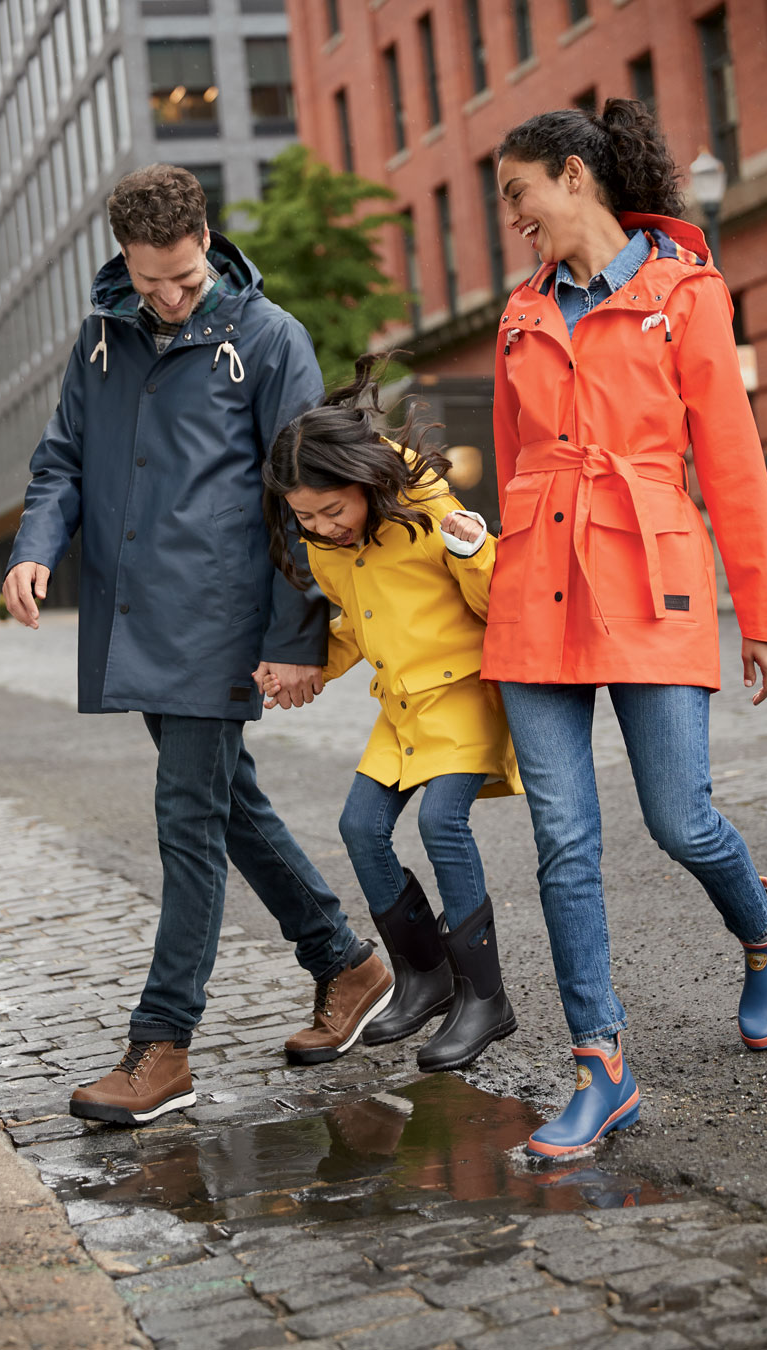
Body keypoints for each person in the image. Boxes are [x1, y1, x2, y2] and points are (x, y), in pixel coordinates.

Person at [2, 165, 392, 1127]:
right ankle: (348, 963)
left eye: (182, 277)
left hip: (221, 624)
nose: (167, 296)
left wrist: (295, 639)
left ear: (206, 242)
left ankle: (163, 1045)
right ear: (123, 257)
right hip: (137, 620)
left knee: (187, 820)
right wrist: (35, 548)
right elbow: (62, 460)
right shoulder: (101, 340)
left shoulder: (268, 338)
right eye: (148, 280)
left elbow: (300, 498)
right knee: (228, 806)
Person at [483, 100, 767, 1159]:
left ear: (574, 176)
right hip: (537, 596)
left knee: (680, 820)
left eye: (518, 192)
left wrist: (764, 609)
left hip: (651, 581)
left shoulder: (687, 294)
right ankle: (600, 1064)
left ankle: (761, 925)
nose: (512, 216)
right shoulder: (520, 317)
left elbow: (732, 458)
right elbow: (513, 458)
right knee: (563, 840)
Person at [258, 358, 521, 1073]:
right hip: (403, 707)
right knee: (359, 826)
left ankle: (485, 998)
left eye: (332, 510)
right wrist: (305, 666)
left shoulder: (426, 506)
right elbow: (358, 626)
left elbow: (499, 603)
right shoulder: (325, 544)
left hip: (464, 692)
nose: (321, 527)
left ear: (364, 481)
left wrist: (472, 551)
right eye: (304, 516)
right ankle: (427, 976)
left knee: (443, 823)